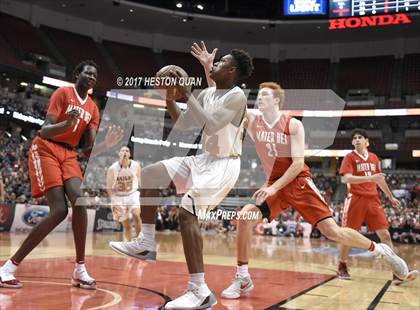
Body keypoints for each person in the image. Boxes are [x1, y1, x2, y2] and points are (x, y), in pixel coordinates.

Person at [190, 42, 413, 299]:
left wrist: (273, 186)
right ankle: (242, 277)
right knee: (244, 218)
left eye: (264, 95)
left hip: (298, 183)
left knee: (333, 233)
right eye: (258, 94)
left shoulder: (293, 124)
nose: (258, 97)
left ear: (276, 100)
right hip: (274, 183)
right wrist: (209, 68)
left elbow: (297, 164)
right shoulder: (251, 119)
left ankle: (381, 250)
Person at [109, 48, 253, 309]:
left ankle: (199, 291)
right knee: (150, 174)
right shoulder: (208, 93)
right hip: (202, 159)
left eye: (221, 62)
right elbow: (184, 124)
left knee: (187, 213)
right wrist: (169, 99)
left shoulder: (237, 97)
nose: (216, 64)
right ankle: (146, 243)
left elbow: (210, 125)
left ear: (232, 71)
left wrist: (187, 93)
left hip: (223, 164)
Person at [0, 60, 123, 289]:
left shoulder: (93, 109)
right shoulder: (62, 94)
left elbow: (87, 150)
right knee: (59, 211)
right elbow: (45, 130)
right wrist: (67, 124)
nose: (92, 77)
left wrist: (106, 144)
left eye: (95, 75)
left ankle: (79, 269)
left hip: (69, 155)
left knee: (80, 201)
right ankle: (8, 268)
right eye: (87, 72)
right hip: (46, 148)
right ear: (77, 74)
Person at [338, 129, 418, 284]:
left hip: (373, 200)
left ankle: (397, 272)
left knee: (385, 236)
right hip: (355, 199)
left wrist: (390, 196)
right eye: (354, 138)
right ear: (352, 142)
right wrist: (370, 177)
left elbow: (380, 180)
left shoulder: (374, 158)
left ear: (367, 141)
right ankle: (342, 264)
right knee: (348, 235)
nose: (357, 140)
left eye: (360, 137)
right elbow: (345, 179)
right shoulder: (349, 157)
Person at [106, 145, 142, 241]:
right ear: (119, 154)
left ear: (130, 154)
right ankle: (129, 245)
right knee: (126, 225)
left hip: (132, 194)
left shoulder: (136, 165)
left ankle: (140, 243)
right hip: (119, 197)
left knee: (136, 215)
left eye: (127, 151)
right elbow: (109, 187)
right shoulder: (112, 169)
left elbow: (139, 181)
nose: (125, 152)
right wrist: (113, 201)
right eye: (122, 150)